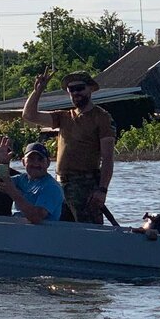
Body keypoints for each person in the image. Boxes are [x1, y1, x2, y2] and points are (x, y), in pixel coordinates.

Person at [21, 69, 115, 224]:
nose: (76, 93)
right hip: (59, 185)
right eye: (71, 90)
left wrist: (102, 190)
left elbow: (108, 158)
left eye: (80, 88)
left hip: (85, 185)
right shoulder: (64, 117)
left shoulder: (102, 117)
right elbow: (29, 115)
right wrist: (38, 91)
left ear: (90, 89)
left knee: (88, 232)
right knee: (59, 230)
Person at [0, 139, 64, 224]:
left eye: (40, 159)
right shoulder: (21, 179)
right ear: (23, 162)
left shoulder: (52, 187)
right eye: (31, 159)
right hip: (18, 228)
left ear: (48, 163)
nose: (35, 163)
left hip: (41, 234)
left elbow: (36, 217)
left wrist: (12, 191)